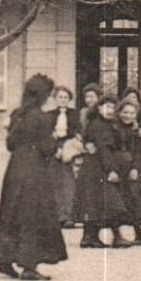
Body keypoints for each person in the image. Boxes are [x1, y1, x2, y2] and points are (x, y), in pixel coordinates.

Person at [0, 74, 68, 281]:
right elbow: (47, 148)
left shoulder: (17, 114)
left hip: (15, 168)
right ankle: (29, 265)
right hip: (34, 170)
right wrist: (55, 142)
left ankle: (5, 259)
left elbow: (10, 144)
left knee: (12, 212)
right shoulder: (42, 118)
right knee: (34, 215)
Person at [77, 96, 134, 248]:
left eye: (113, 108)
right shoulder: (100, 126)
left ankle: (89, 237)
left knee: (95, 202)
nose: (110, 111)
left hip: (94, 167)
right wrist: (110, 170)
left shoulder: (103, 124)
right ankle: (116, 237)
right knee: (112, 202)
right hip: (99, 168)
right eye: (106, 107)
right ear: (99, 108)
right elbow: (103, 149)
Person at [116, 99, 141, 246]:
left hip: (131, 169)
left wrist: (136, 168)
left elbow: (140, 151)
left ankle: (139, 234)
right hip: (118, 168)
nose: (128, 115)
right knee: (118, 202)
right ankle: (117, 235)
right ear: (119, 112)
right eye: (125, 112)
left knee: (136, 200)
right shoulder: (115, 129)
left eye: (132, 113)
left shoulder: (136, 131)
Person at [48, 85, 82, 227]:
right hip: (53, 149)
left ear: (69, 99)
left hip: (69, 148)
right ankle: (56, 216)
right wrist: (55, 147)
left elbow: (77, 131)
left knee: (69, 184)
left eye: (65, 97)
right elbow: (46, 133)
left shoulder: (75, 114)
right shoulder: (49, 115)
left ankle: (69, 216)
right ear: (55, 99)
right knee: (54, 183)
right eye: (60, 97)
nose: (63, 100)